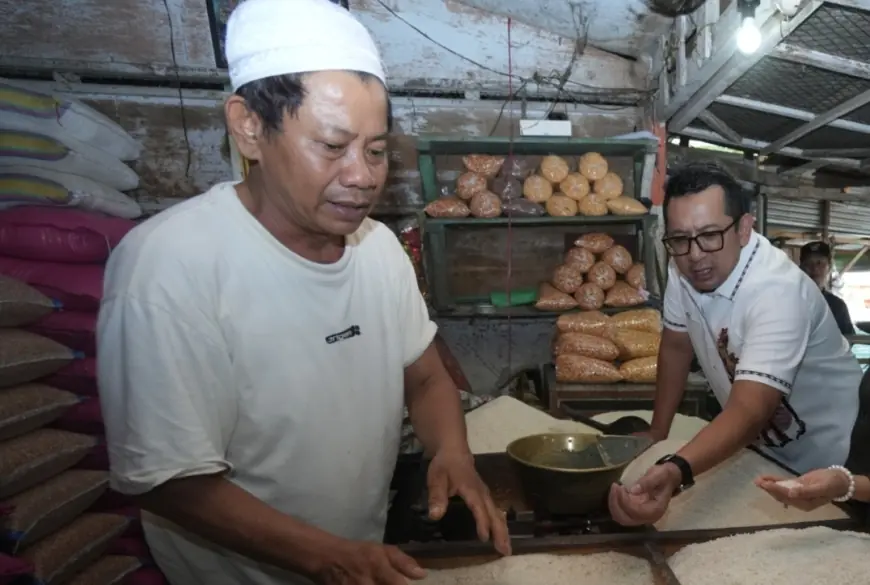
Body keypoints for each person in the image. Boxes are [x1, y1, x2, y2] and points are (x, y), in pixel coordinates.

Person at [96, 2, 510, 585]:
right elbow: (170, 482)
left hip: (358, 556)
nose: (364, 177)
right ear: (248, 127)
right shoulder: (169, 267)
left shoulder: (379, 251)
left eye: (374, 150)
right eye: (332, 145)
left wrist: (452, 452)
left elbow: (425, 376)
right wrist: (327, 555)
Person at [608, 162, 863, 527]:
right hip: (764, 448)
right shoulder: (686, 269)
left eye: (710, 235)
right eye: (680, 239)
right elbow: (677, 346)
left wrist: (677, 468)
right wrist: (658, 431)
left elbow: (750, 409)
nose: (695, 255)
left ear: (744, 228)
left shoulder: (776, 291)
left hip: (839, 447)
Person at [799, 241, 855, 336]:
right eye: (808, 263)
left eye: (820, 263)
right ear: (801, 267)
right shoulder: (790, 301)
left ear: (829, 267)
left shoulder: (837, 306)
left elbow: (849, 340)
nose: (814, 268)